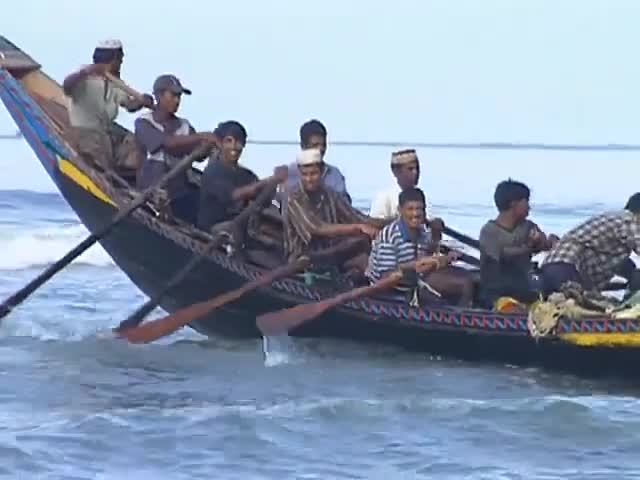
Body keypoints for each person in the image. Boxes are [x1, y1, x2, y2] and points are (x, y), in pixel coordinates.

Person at [366, 188, 474, 307]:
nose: (415, 214)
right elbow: (386, 277)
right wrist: (425, 264)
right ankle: (459, 315)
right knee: (464, 284)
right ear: (400, 211)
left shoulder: (422, 232)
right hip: (392, 288)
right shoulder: (389, 235)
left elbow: (426, 255)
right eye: (410, 209)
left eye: (419, 209)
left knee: (468, 277)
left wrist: (437, 242)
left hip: (416, 277)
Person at [135, 74, 217, 224]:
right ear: (159, 96)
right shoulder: (144, 122)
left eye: (179, 96)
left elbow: (199, 155)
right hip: (151, 191)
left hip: (180, 194)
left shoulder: (184, 126)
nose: (177, 101)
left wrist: (210, 146)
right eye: (173, 95)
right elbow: (167, 143)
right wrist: (200, 136)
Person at [63, 39, 154, 171]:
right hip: (85, 135)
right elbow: (67, 87)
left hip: (106, 134)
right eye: (120, 59)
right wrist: (87, 72)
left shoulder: (115, 83)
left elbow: (129, 105)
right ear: (113, 60)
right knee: (97, 162)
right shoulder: (84, 75)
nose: (121, 63)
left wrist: (142, 101)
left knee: (137, 142)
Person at [284, 148, 384, 263]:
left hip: (330, 250)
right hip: (303, 256)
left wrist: (389, 223)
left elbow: (356, 217)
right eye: (304, 174)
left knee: (365, 246)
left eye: (313, 174)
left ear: (322, 172)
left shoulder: (329, 194)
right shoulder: (294, 197)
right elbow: (316, 228)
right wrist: (358, 228)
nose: (309, 179)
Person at [478, 180, 558, 308]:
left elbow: (543, 244)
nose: (529, 207)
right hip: (497, 291)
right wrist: (529, 247)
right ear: (514, 204)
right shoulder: (489, 231)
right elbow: (504, 255)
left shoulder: (527, 226)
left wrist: (548, 242)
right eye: (526, 202)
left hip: (524, 288)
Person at [541, 192, 640, 294]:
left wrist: (632, 277)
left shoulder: (616, 219)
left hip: (552, 268)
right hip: (565, 268)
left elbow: (618, 263)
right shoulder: (629, 220)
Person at [198, 121, 288, 232]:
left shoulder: (247, 175)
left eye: (238, 142)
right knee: (237, 229)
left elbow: (266, 198)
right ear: (220, 143)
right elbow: (234, 195)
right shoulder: (213, 171)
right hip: (214, 227)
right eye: (229, 141)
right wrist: (270, 180)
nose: (234, 146)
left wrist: (275, 185)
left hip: (242, 224)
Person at [282, 119, 351, 203]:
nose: (321, 149)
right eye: (315, 145)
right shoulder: (287, 175)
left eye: (323, 145)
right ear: (303, 146)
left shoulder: (334, 174)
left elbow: (345, 205)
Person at [369, 149, 433, 220]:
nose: (415, 172)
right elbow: (374, 223)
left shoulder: (421, 196)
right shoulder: (384, 197)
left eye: (417, 168)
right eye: (410, 169)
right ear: (396, 171)